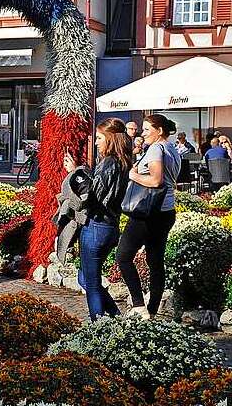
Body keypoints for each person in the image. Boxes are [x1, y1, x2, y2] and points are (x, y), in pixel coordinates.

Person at [117, 114, 181, 319]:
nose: (142, 134)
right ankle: (152, 310)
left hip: (146, 212)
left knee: (123, 256)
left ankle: (138, 304)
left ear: (159, 131)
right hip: (166, 211)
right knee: (155, 260)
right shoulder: (173, 149)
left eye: (146, 130)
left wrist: (133, 175)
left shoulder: (155, 148)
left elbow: (155, 180)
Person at [65, 119, 131, 319]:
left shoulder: (110, 162)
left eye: (100, 138)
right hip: (110, 227)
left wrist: (75, 173)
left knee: (91, 283)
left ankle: (100, 326)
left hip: (96, 226)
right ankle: (114, 316)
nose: (96, 142)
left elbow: (92, 196)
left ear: (110, 139)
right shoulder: (124, 162)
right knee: (85, 278)